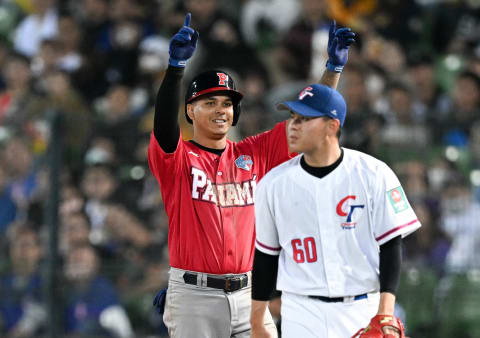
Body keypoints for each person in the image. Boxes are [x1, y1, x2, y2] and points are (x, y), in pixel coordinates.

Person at [148, 12, 355, 337]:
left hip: (247, 294)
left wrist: (333, 69)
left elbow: (311, 119)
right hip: (195, 297)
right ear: (190, 111)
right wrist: (175, 70)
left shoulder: (253, 154)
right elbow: (163, 127)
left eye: (227, 103)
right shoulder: (179, 159)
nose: (220, 109)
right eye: (209, 102)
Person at [250, 84, 421, 337]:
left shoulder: (373, 174)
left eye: (304, 119)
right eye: (292, 118)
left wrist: (385, 312)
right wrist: (257, 320)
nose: (293, 126)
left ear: (332, 125)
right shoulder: (272, 185)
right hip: (300, 310)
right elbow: (265, 257)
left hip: (361, 307)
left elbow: (391, 245)